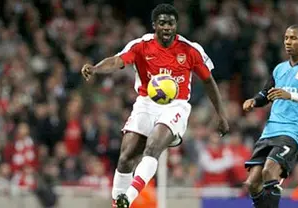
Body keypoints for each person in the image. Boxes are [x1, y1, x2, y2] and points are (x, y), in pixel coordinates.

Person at [81, 4, 229, 208]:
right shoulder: (141, 45)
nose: (167, 27)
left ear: (176, 25)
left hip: (176, 106)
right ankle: (117, 203)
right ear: (154, 25)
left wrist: (221, 115)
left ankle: (128, 198)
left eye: (171, 23)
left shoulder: (190, 50)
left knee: (153, 146)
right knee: (126, 157)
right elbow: (117, 61)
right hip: (146, 103)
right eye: (162, 23)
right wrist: (96, 69)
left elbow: (208, 81)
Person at [242, 24, 298, 208]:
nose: (288, 42)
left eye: (293, 38)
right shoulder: (279, 68)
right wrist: (254, 101)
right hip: (270, 131)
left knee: (269, 171)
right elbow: (266, 94)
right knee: (252, 184)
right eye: (286, 38)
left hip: (292, 132)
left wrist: (291, 96)